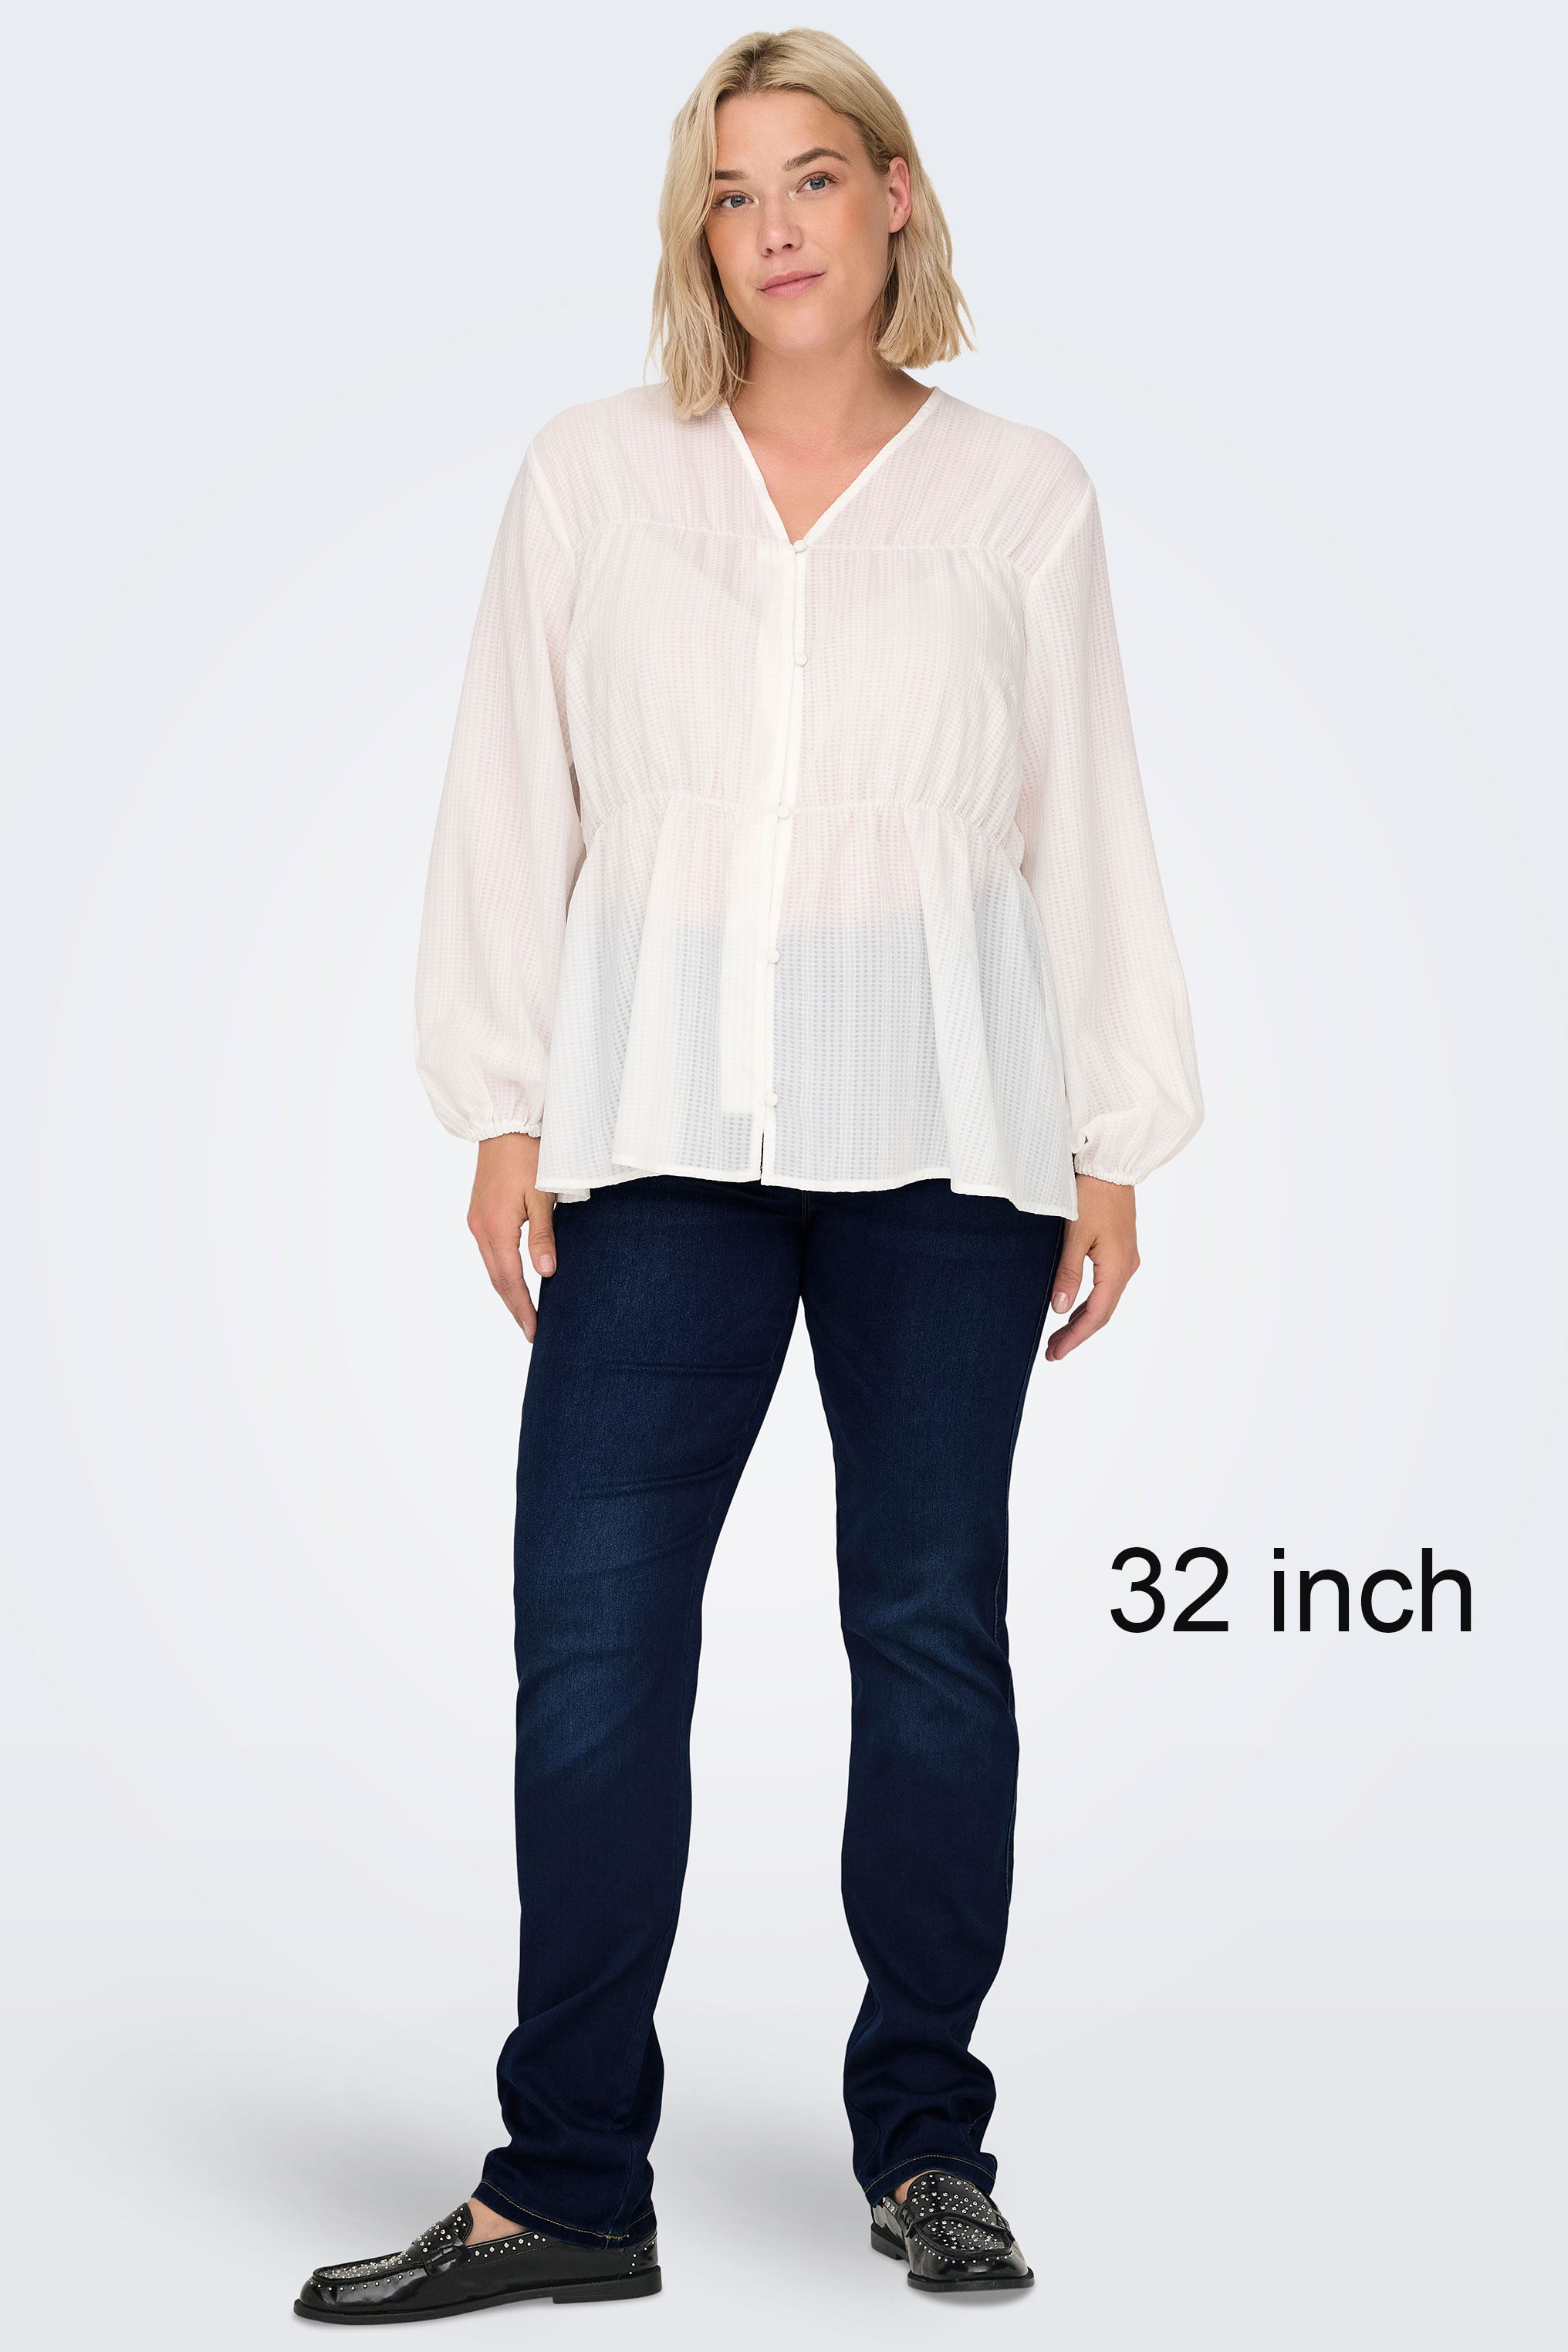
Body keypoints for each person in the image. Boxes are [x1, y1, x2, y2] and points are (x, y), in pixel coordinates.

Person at [295, 25, 1201, 2323]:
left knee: (929, 1637)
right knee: (594, 1648)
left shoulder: (1023, 498)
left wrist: (1113, 1139)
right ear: (696, 234)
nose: (775, 225)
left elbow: (1081, 814)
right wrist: (502, 1101)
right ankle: (566, 2183)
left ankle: (930, 2148)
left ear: (897, 196)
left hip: (953, 1145)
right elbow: (513, 788)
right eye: (731, 190)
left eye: (814, 175)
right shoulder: (597, 476)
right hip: (659, 1139)